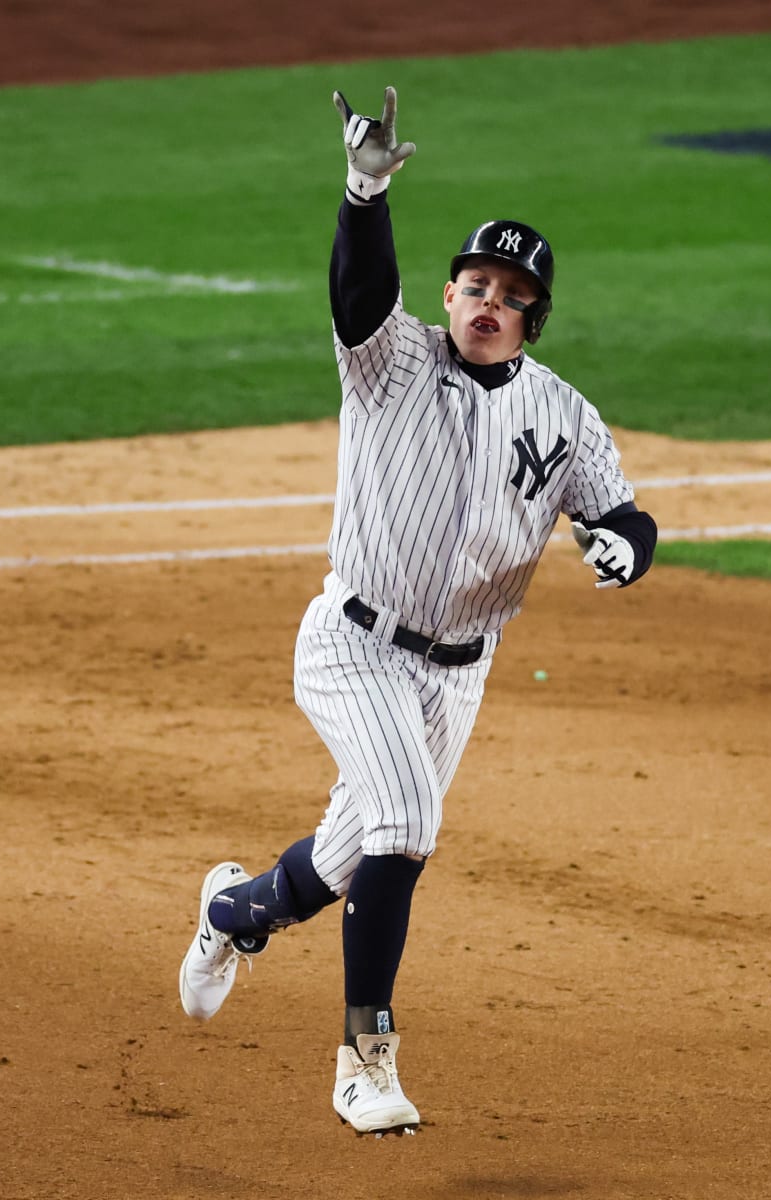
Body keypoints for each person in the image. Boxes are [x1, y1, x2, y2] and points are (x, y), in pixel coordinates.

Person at [178, 85, 658, 1138]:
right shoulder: (389, 361)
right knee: (405, 825)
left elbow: (618, 511)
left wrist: (628, 542)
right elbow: (359, 290)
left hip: (459, 675)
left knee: (345, 861)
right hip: (353, 646)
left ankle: (232, 910)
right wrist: (364, 193)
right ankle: (365, 1058)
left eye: (510, 292)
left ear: (533, 316)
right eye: (474, 282)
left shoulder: (564, 414)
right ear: (447, 294)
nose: (487, 299)